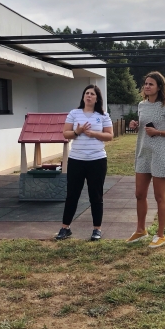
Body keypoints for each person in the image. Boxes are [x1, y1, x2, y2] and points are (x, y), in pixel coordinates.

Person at [127, 71, 165, 248]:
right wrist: (135, 126)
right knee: (139, 194)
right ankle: (141, 230)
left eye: (151, 84)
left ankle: (160, 235)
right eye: (146, 84)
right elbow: (142, 128)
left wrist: (158, 132)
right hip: (143, 153)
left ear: (159, 87)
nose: (147, 86)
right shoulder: (142, 105)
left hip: (160, 153)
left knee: (159, 196)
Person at [56, 85, 113, 241]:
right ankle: (65, 228)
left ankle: (97, 229)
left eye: (92, 94)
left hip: (97, 160)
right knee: (72, 195)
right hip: (76, 160)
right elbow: (66, 133)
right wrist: (77, 132)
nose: (88, 96)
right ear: (83, 97)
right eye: (86, 93)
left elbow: (109, 136)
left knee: (96, 195)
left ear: (96, 98)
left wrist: (93, 133)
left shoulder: (103, 115)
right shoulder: (74, 114)